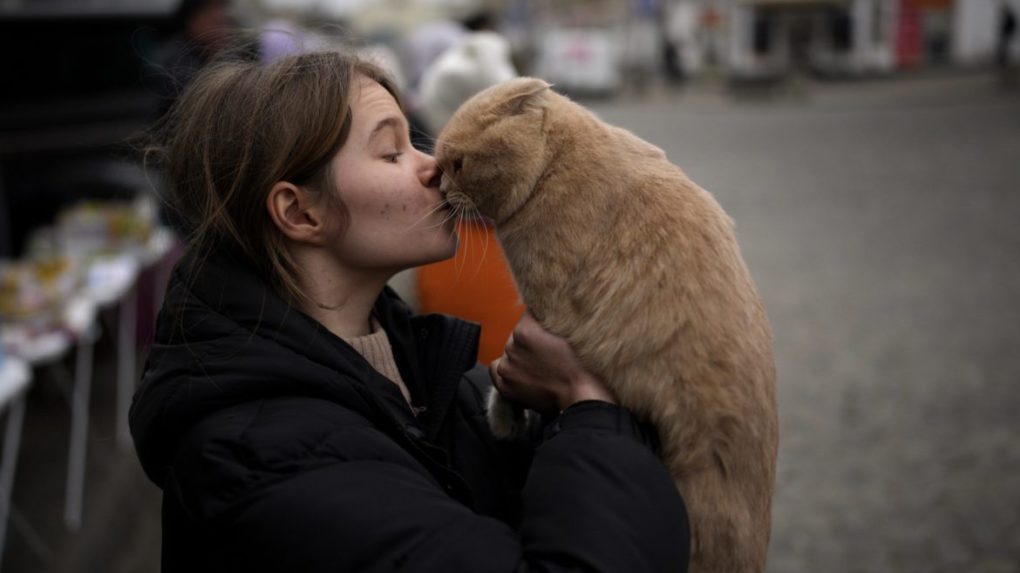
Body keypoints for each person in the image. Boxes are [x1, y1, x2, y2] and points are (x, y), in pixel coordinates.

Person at [129, 48, 690, 572]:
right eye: (393, 151)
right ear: (299, 213)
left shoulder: (417, 376)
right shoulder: (263, 463)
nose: (435, 167)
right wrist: (588, 405)